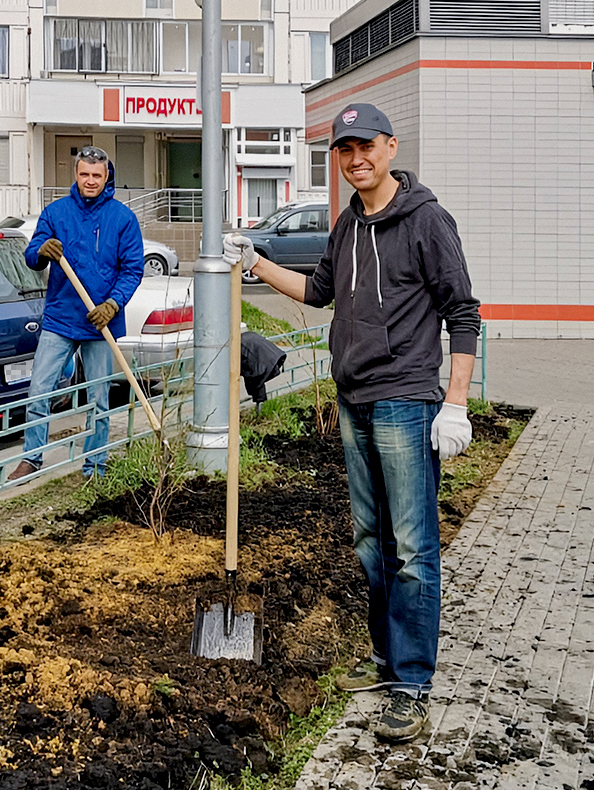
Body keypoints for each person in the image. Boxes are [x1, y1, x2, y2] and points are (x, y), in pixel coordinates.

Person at [224, 103, 481, 743]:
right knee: (371, 540)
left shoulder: (426, 222)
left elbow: (464, 314)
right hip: (354, 397)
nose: (355, 158)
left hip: (406, 400)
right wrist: (254, 261)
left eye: (366, 145)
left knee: (415, 547)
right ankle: (386, 660)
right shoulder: (344, 226)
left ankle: (413, 684)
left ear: (390, 147)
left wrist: (456, 401)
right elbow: (319, 293)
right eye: (344, 149)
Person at [8, 146, 144, 482]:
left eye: (96, 175)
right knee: (39, 390)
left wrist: (113, 303)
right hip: (61, 318)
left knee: (98, 398)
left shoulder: (122, 219)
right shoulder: (57, 213)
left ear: (107, 175)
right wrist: (41, 248)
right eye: (84, 174)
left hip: (100, 322)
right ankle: (31, 458)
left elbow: (132, 269)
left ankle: (95, 464)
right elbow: (31, 256)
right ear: (76, 174)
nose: (90, 181)